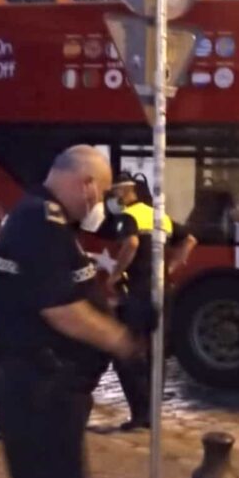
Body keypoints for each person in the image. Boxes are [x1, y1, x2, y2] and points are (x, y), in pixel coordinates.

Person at [0, 145, 147, 478]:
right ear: (86, 184)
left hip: (45, 388)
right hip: (40, 389)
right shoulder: (42, 221)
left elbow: (67, 290)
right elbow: (61, 310)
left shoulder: (43, 218)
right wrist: (122, 340)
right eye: (102, 191)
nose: (100, 203)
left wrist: (111, 304)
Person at [99, 171, 197, 431]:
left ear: (127, 190)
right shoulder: (158, 215)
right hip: (162, 291)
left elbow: (130, 244)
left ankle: (139, 414)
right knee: (156, 353)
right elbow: (189, 239)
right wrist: (171, 267)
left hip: (137, 293)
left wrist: (115, 275)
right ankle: (152, 413)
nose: (113, 197)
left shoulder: (129, 216)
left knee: (126, 353)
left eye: (116, 192)